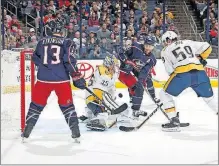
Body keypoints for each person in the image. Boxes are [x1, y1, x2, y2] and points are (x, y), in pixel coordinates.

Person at [21, 24, 86, 143]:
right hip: (61, 80)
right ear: (62, 31)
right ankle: (76, 134)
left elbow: (35, 58)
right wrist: (76, 75)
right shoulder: (67, 42)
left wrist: (46, 67)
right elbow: (69, 60)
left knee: (35, 106)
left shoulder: (42, 41)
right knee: (68, 106)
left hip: (43, 79)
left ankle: (26, 133)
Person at [160, 31, 218, 132]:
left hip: (182, 74)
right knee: (209, 99)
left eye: (165, 41)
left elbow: (170, 71)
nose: (165, 43)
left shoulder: (165, 50)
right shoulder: (187, 42)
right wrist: (201, 58)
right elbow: (207, 46)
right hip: (200, 72)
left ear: (168, 40)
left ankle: (174, 120)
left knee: (164, 93)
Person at [81, 55, 126, 131]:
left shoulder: (110, 73)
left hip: (96, 99)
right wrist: (114, 107)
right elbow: (100, 88)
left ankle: (91, 117)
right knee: (104, 111)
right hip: (92, 99)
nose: (115, 67)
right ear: (108, 64)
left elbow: (111, 89)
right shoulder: (101, 69)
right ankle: (97, 119)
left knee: (104, 112)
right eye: (114, 65)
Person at [118, 36, 157, 118]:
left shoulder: (152, 59)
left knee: (143, 83)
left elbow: (144, 72)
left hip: (136, 71)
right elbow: (121, 52)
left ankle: (139, 101)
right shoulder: (135, 47)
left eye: (150, 47)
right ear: (144, 44)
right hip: (125, 71)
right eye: (146, 46)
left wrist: (142, 79)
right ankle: (135, 108)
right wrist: (126, 60)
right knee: (136, 87)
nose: (148, 49)